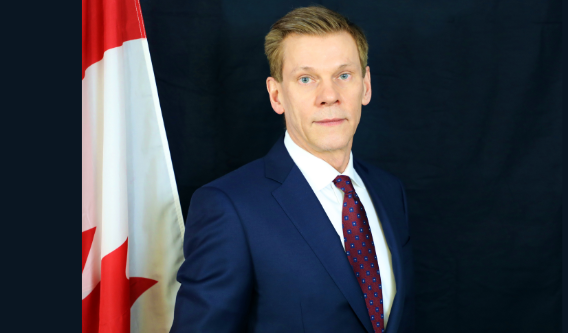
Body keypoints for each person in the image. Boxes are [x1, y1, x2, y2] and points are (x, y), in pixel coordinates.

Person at [170, 6, 414, 333]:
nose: (329, 96)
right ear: (276, 95)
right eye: (306, 78)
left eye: (343, 75)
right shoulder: (229, 208)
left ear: (365, 86)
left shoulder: (389, 191)